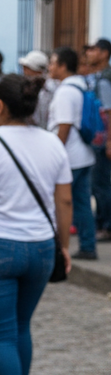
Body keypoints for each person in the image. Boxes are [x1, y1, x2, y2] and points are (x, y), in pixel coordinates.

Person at [0, 74, 72, 375]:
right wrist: (64, 246)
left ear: (0, 106)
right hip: (42, 247)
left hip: (0, 247)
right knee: (21, 327)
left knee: (2, 332)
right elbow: (63, 200)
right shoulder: (53, 143)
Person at [47, 47, 96, 260]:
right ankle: (88, 246)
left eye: (53, 62)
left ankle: (57, 246)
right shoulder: (81, 85)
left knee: (59, 201)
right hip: (83, 155)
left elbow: (64, 127)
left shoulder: (66, 91)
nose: (50, 67)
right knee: (82, 202)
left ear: (63, 66)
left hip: (70, 157)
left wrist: (54, 155)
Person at [85, 38, 111, 240]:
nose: (89, 53)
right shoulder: (97, 76)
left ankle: (106, 226)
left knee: (101, 183)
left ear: (104, 53)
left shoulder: (105, 79)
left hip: (103, 141)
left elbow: (109, 112)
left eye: (93, 50)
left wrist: (109, 141)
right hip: (99, 139)